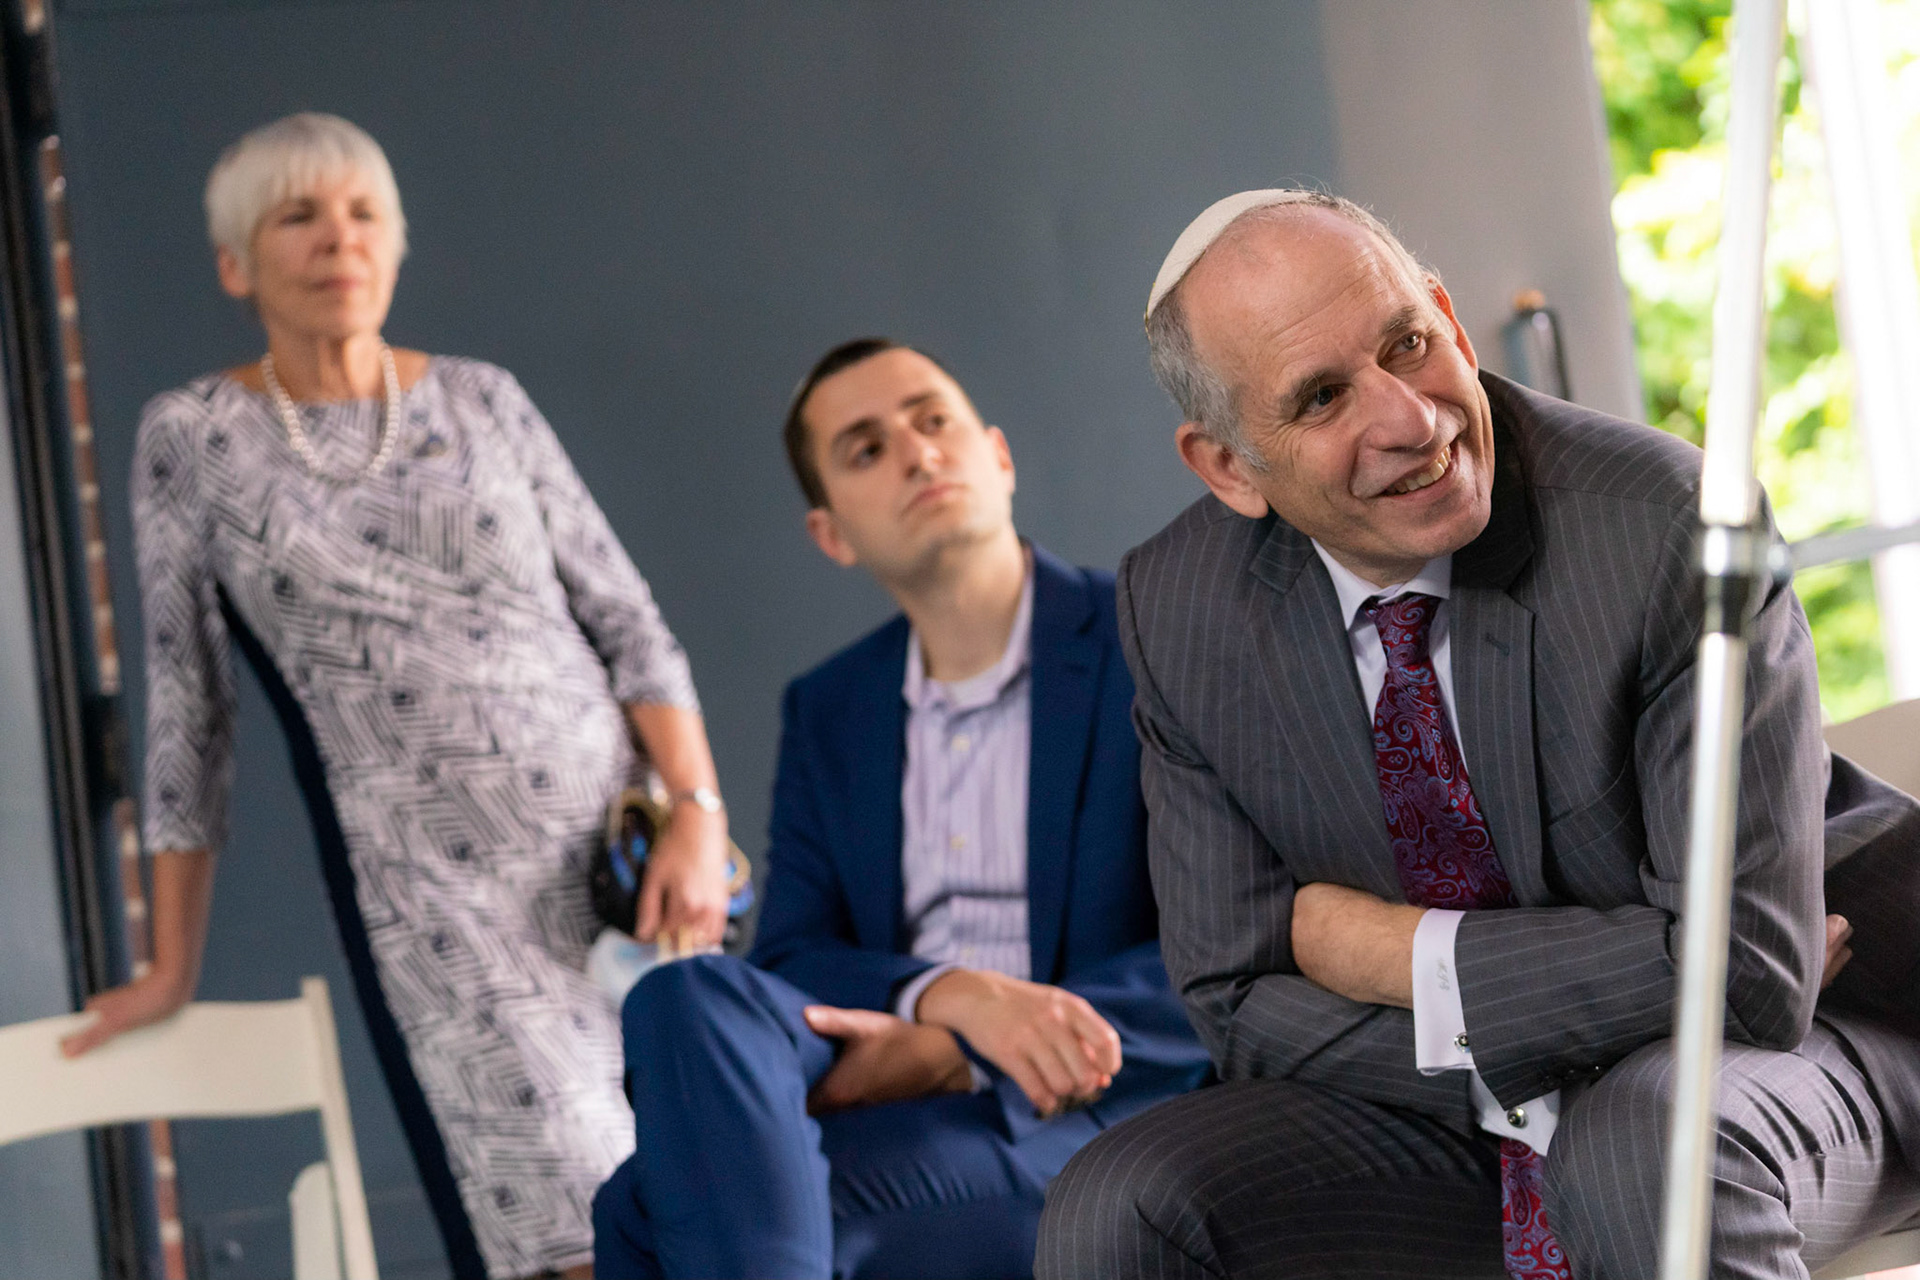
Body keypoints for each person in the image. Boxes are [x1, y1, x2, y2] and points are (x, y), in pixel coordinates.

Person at [1035, 190, 1920, 1279]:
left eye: (1408, 343)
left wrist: (1395, 952)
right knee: (1115, 1207)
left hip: (1818, 1046)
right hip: (1449, 1101)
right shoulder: (1180, 608)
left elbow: (1746, 969)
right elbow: (1232, 998)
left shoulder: (1665, 523)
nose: (1411, 420)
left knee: (1640, 1150)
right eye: (1321, 397)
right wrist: (1526, 1037)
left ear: (1450, 319)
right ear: (1227, 466)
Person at [64, 113, 733, 1280]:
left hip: (626, 868)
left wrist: (697, 814)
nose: (338, 238)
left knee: (719, 1184)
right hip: (440, 900)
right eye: (297, 215)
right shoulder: (193, 436)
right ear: (236, 264)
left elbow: (633, 628)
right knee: (574, 1222)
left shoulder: (486, 399)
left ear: (396, 242)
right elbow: (188, 711)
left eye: (363, 211)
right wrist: (172, 966)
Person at [591, 338, 1211, 1278]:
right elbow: (797, 953)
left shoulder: (1151, 643)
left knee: (644, 1210)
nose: (917, 453)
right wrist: (951, 997)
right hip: (891, 1073)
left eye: (933, 421)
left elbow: (1236, 937)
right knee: (686, 992)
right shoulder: (831, 707)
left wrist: (963, 1049)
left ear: (996, 456)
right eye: (866, 449)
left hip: (1084, 1107)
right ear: (831, 533)